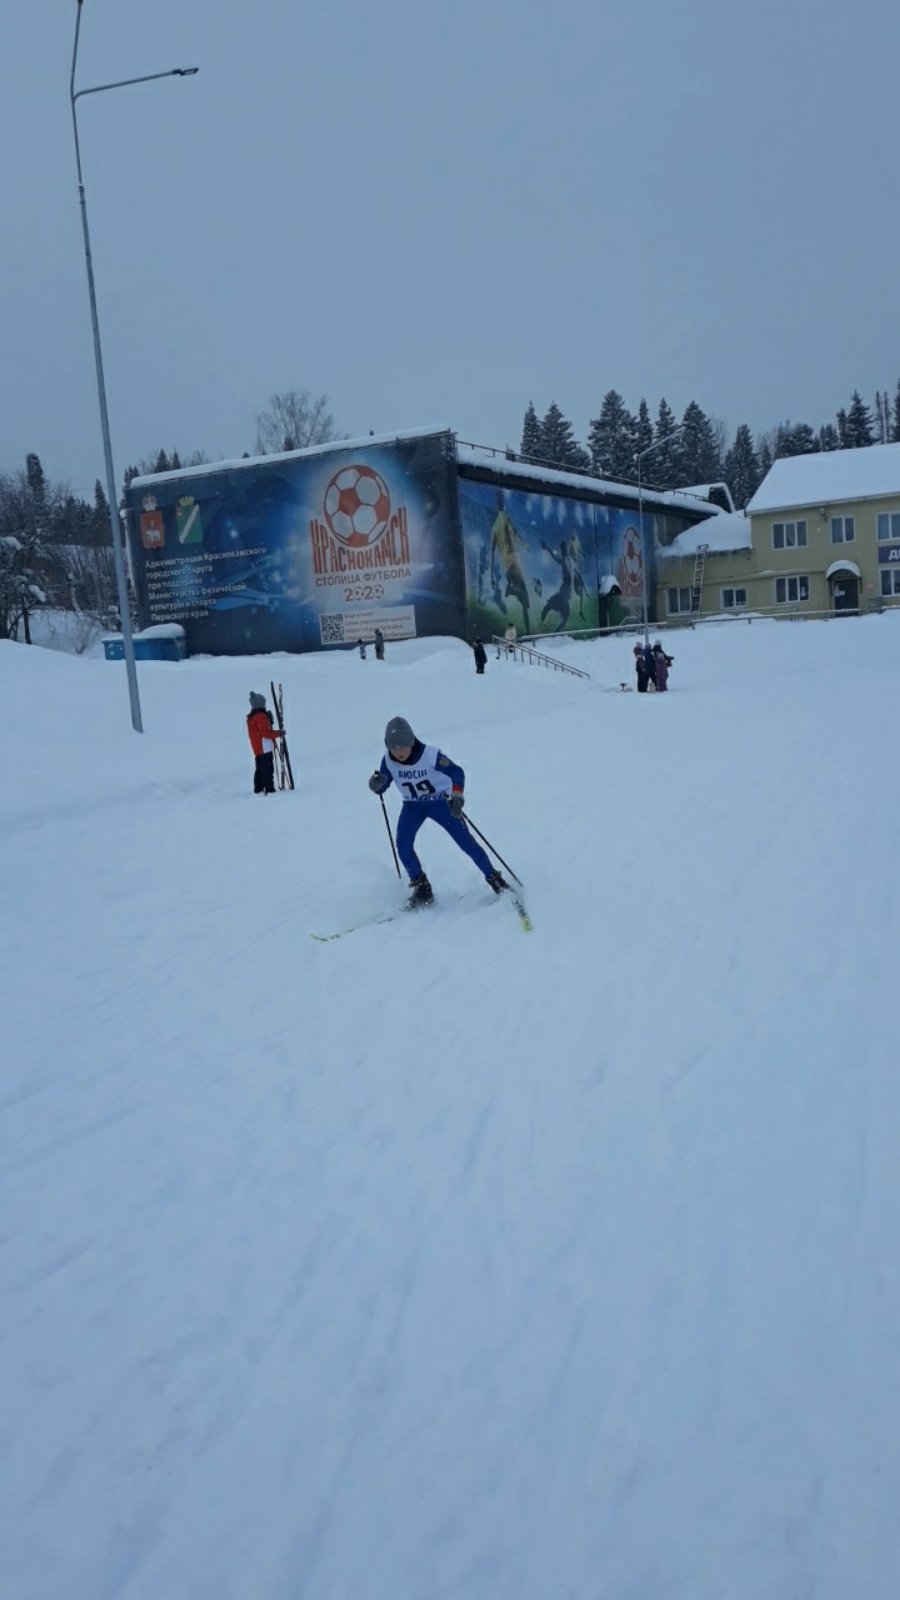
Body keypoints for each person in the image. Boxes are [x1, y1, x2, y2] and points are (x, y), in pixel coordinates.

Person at [368, 716, 509, 907]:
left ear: (412, 741)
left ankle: (495, 880)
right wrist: (377, 784)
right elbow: (383, 783)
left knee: (466, 842)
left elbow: (456, 772)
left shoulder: (430, 756)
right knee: (403, 845)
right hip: (412, 805)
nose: (399, 751)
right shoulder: (388, 760)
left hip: (441, 803)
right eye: (394, 747)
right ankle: (422, 888)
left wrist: (457, 795)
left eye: (403, 746)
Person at [489, 490, 531, 633]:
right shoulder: (506, 517)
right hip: (513, 561)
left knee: (525, 604)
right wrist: (525, 545)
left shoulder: (494, 526)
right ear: (502, 502)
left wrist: (491, 576)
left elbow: (492, 553)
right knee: (526, 602)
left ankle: (528, 632)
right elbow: (514, 534)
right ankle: (512, 589)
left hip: (505, 566)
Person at [246, 691, 282, 794]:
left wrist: (268, 720)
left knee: (260, 769)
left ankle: (258, 789)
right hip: (264, 748)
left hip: (258, 748)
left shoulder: (252, 717)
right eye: (264, 703)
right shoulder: (260, 716)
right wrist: (279, 733)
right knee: (267, 769)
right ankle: (269, 789)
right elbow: (266, 733)